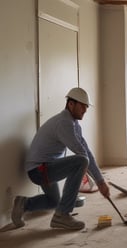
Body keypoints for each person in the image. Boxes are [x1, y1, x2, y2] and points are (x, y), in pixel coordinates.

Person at [11, 87, 110, 230]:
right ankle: (62, 215)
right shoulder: (64, 123)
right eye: (82, 106)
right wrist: (100, 183)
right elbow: (82, 154)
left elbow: (86, 150)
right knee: (81, 161)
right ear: (71, 104)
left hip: (44, 167)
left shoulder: (74, 124)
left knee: (53, 201)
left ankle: (22, 204)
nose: (85, 110)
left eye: (86, 107)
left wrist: (100, 180)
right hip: (39, 170)